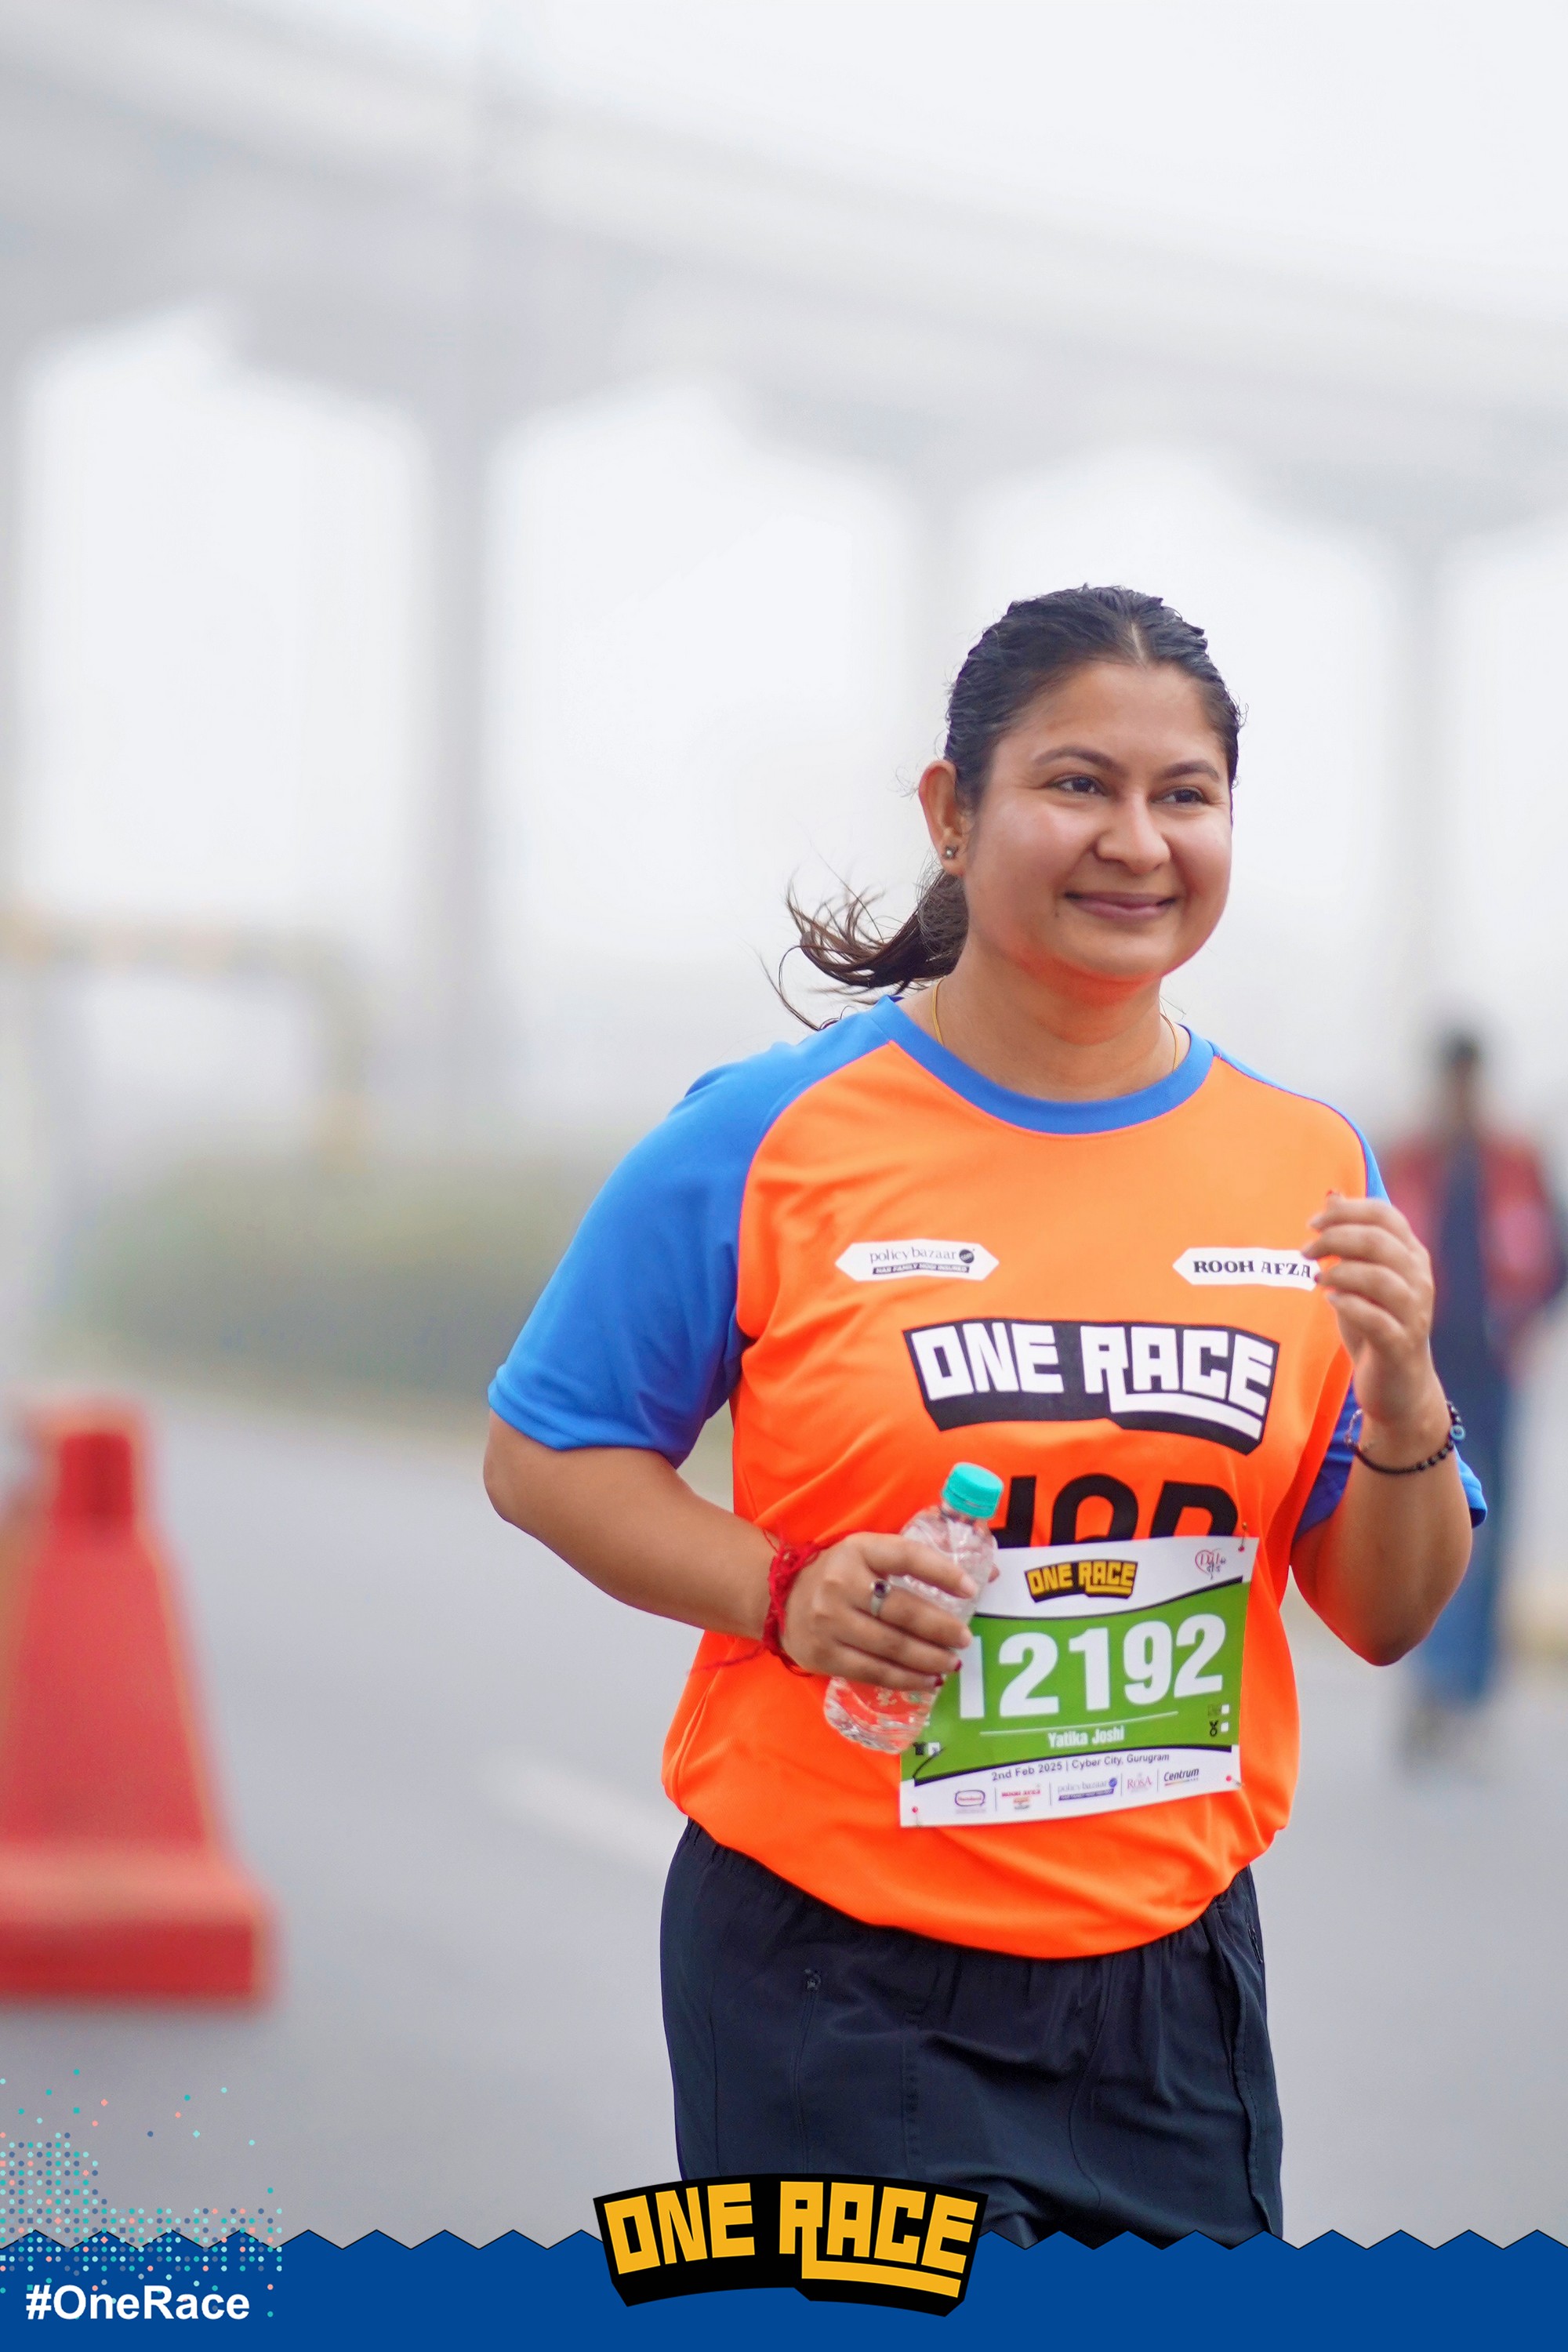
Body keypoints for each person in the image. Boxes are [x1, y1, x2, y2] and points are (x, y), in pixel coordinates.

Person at [484, 587, 1482, 2249]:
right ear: (952, 812)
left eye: (1184, 796)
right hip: (829, 1979)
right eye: (1078, 785)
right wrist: (783, 1590)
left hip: (1170, 1999)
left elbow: (1384, 1614)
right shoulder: (768, 1134)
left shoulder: (1306, 1165)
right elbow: (546, 1453)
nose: (1136, 843)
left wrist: (1405, 1395)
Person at [1382, 1033, 1565, 1760]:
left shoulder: (1515, 1164)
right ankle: (1437, 1682)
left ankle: (1472, 1689)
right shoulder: (1409, 1161)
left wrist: (1524, 1328)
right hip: (1427, 1371)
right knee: (1439, 1522)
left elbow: (1553, 1261)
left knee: (1496, 1527)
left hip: (1495, 1374)